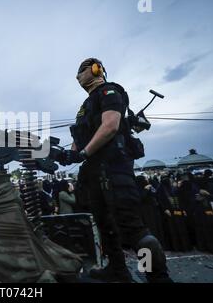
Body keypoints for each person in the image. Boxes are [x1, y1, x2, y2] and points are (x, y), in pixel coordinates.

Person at [58, 58, 171, 283]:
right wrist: (66, 154)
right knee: (105, 225)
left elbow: (110, 126)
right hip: (93, 173)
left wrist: (82, 154)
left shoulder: (110, 91)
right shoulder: (85, 106)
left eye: (81, 71)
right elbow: (79, 139)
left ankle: (156, 277)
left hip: (113, 169)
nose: (78, 77)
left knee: (133, 230)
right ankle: (117, 269)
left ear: (95, 70)